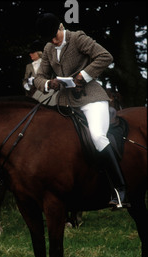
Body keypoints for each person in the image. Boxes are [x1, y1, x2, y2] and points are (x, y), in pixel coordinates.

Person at [34, 13, 128, 209]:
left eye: (55, 36)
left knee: (97, 136)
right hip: (65, 101)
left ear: (61, 27)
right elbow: (39, 77)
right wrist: (49, 83)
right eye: (49, 39)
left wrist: (81, 76)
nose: (53, 41)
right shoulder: (49, 47)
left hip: (90, 98)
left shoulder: (77, 38)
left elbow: (105, 56)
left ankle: (119, 188)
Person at [22, 40, 57, 105]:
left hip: (46, 91)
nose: (30, 54)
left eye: (32, 52)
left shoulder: (48, 63)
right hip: (33, 93)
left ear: (38, 53)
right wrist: (28, 85)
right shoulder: (29, 66)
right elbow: (25, 80)